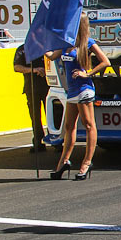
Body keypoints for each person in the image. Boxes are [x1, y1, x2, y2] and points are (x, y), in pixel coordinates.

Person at [47, 14, 109, 180]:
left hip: (84, 89)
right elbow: (52, 56)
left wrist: (87, 73)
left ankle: (86, 162)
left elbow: (105, 62)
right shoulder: (66, 43)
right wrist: (39, 44)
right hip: (72, 91)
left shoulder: (88, 43)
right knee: (69, 126)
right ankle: (64, 161)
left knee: (89, 125)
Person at [13, 43, 50, 153]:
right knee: (35, 116)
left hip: (48, 86)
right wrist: (34, 70)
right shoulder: (23, 49)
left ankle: (57, 141)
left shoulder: (46, 46)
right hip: (32, 87)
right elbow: (17, 67)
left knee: (52, 115)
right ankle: (38, 142)